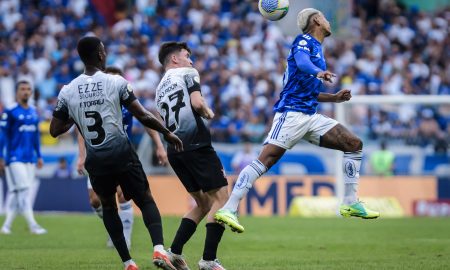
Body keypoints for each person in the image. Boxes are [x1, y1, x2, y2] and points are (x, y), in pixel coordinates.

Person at [215, 8, 380, 233]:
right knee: (266, 160)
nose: (328, 21)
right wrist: (318, 72)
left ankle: (350, 202)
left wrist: (333, 98)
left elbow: (307, 89)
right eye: (324, 17)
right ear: (316, 21)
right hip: (291, 114)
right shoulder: (304, 41)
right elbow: (302, 63)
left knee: (353, 144)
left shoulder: (318, 50)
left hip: (309, 115)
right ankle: (229, 208)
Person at [50, 36, 183, 270]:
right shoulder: (115, 82)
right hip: (121, 153)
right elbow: (143, 115)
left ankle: (128, 262)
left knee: (109, 206)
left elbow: (54, 130)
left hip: (96, 160)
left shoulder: (68, 91)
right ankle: (159, 249)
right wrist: (167, 134)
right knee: (145, 199)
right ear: (101, 54)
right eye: (104, 50)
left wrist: (76, 113)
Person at [76, 66, 168, 250]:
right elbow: (81, 130)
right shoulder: (95, 102)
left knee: (123, 195)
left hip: (122, 155)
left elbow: (146, 120)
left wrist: (159, 145)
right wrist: (81, 156)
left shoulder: (128, 101)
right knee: (96, 201)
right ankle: (115, 229)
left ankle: (125, 238)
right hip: (97, 155)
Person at [155, 42, 229, 270]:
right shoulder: (187, 72)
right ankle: (208, 260)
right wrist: (207, 111)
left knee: (204, 203)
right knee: (222, 199)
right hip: (196, 145)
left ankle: (174, 252)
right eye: (187, 56)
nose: (191, 61)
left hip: (175, 150)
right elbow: (197, 103)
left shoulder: (159, 89)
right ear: (175, 59)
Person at [0, 80, 47, 235]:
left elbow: (35, 137)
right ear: (17, 92)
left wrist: (39, 155)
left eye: (28, 89)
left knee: (17, 192)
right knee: (25, 190)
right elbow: (2, 135)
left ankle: (6, 226)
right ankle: (33, 225)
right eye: (22, 89)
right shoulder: (10, 110)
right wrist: (1, 156)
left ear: (31, 92)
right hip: (14, 157)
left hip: (30, 158)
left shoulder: (34, 111)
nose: (26, 92)